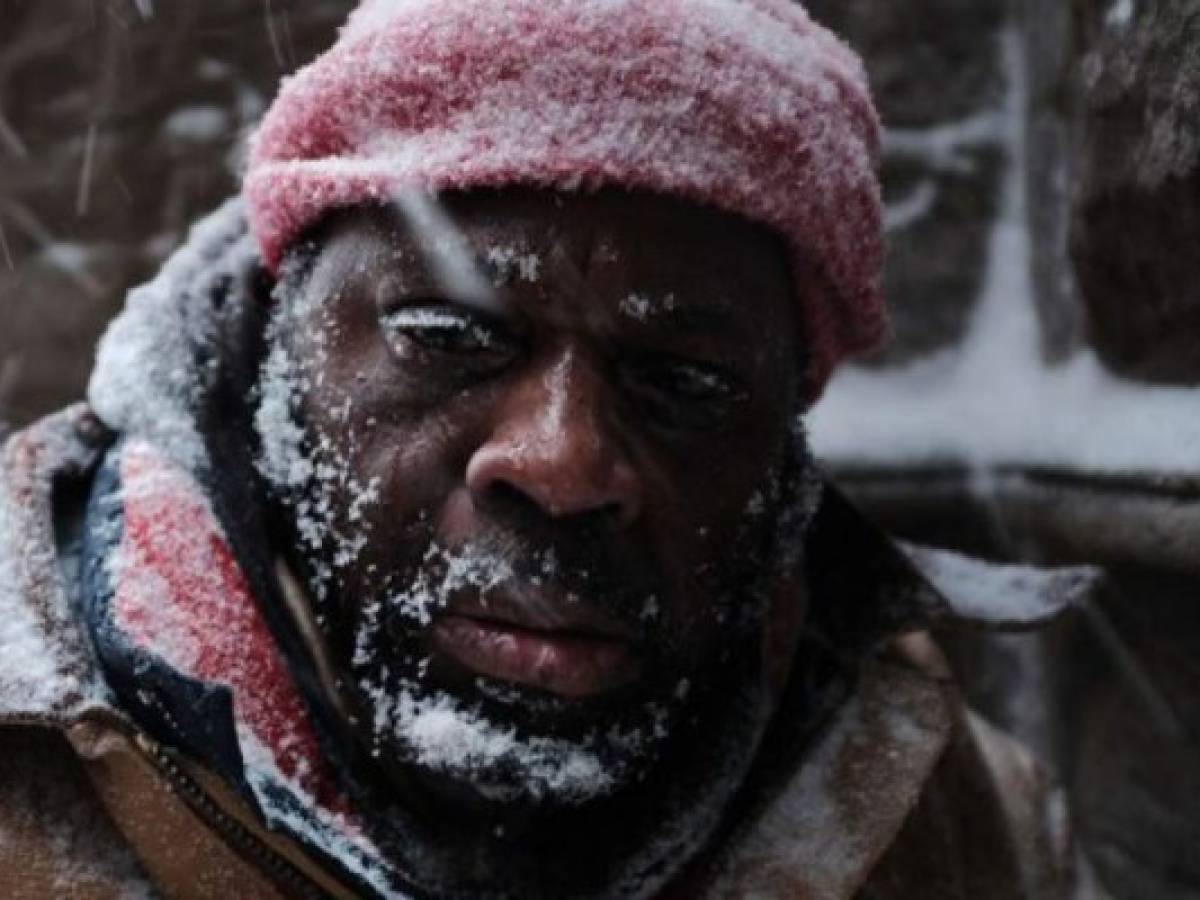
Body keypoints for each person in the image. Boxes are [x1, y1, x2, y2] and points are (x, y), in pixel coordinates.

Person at [0, 0, 1089, 896]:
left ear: (784, 439)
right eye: (447, 338)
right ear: (279, 328)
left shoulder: (966, 823)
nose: (564, 464)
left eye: (684, 384)